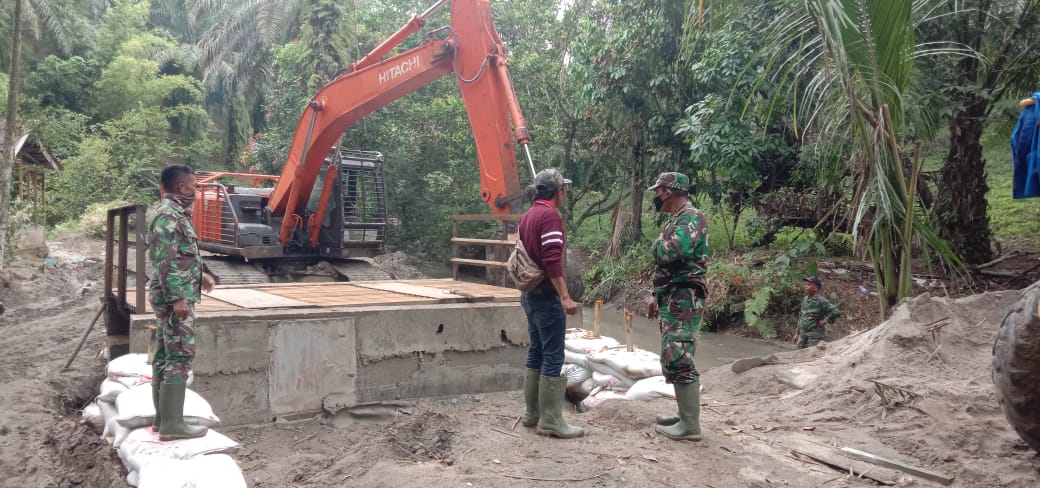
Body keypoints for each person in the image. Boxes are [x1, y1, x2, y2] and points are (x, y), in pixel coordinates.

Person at [149, 164, 216, 440]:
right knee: (179, 356)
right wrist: (178, 297)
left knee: (165, 355)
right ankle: (172, 425)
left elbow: (181, 257)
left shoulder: (177, 214)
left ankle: (163, 418)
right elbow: (165, 262)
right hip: (175, 298)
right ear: (181, 187)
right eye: (194, 187)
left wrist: (203, 276)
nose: (196, 192)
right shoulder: (168, 216)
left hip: (177, 293)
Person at [517, 168, 584, 439]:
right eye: (564, 189)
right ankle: (551, 421)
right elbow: (552, 259)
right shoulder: (549, 216)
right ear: (559, 191)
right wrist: (565, 296)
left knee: (536, 351)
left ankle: (532, 414)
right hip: (547, 297)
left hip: (530, 295)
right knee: (553, 355)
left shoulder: (528, 215)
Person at [645, 172, 708, 441]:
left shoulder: (691, 217)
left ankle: (690, 426)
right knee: (672, 353)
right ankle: (684, 416)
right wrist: (655, 295)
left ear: (668, 191)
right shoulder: (677, 219)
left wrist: (657, 243)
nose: (656, 197)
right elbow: (664, 263)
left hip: (684, 295)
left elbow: (671, 252)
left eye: (658, 192)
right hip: (672, 294)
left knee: (680, 354)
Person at [795, 276, 840, 349]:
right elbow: (801, 315)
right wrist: (797, 333)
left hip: (814, 335)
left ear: (816, 288)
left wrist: (825, 321)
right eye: (805, 284)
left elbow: (836, 312)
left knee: (812, 355)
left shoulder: (821, 300)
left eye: (809, 285)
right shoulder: (805, 299)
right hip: (803, 334)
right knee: (798, 354)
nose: (806, 286)